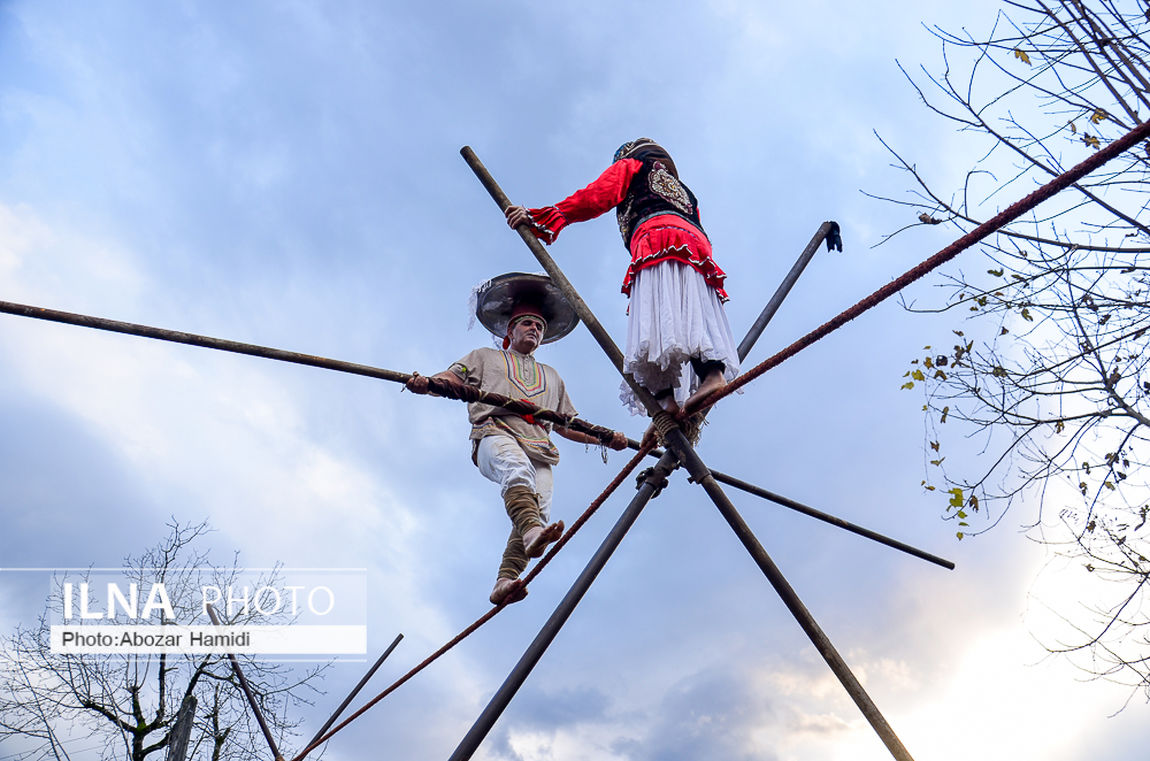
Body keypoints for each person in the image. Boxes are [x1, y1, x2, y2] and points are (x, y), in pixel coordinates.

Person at [406, 273, 628, 605]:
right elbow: (450, 378)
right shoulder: (484, 356)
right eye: (527, 324)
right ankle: (533, 534)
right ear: (510, 331)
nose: (534, 330)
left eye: (539, 327)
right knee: (516, 471)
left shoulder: (553, 377)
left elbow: (567, 425)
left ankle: (504, 581)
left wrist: (604, 439)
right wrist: (428, 383)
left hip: (540, 447)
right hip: (494, 433)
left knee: (540, 510)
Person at [506, 138, 740, 418]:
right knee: (687, 313)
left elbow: (597, 195)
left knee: (657, 317)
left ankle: (690, 388)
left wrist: (546, 216)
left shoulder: (632, 166)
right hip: (696, 250)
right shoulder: (687, 192)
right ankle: (680, 395)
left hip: (657, 241)